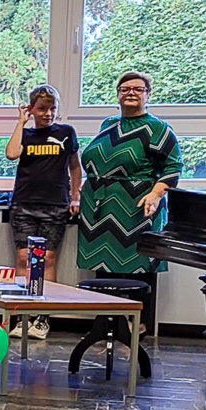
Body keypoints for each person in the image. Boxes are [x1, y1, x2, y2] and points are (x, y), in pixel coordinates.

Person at [77, 71, 181, 332]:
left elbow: (173, 167)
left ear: (148, 94)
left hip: (137, 207)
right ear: (117, 95)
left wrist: (156, 195)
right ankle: (104, 327)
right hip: (99, 208)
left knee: (138, 268)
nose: (131, 93)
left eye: (138, 89)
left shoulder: (158, 128)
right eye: (124, 89)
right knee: (103, 269)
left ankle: (136, 329)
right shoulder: (109, 124)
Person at [4, 84, 82, 340]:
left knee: (46, 260)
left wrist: (75, 197)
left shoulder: (66, 133)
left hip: (55, 205)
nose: (47, 113)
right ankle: (21, 315)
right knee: (25, 259)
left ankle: (41, 317)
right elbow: (11, 154)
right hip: (24, 204)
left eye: (52, 108)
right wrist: (20, 122)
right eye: (41, 109)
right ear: (32, 109)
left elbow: (75, 168)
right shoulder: (25, 135)